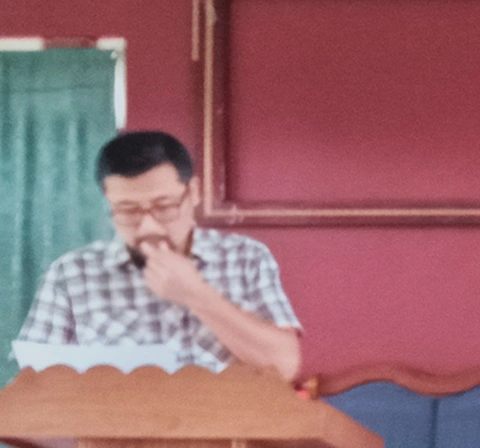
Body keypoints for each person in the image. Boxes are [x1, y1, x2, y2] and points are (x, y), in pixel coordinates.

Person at [15, 130, 302, 380]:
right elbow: (35, 384)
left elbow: (284, 367)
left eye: (164, 207)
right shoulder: (70, 274)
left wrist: (197, 295)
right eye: (127, 210)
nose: (148, 227)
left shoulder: (246, 258)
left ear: (193, 192)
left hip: (228, 424)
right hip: (115, 425)